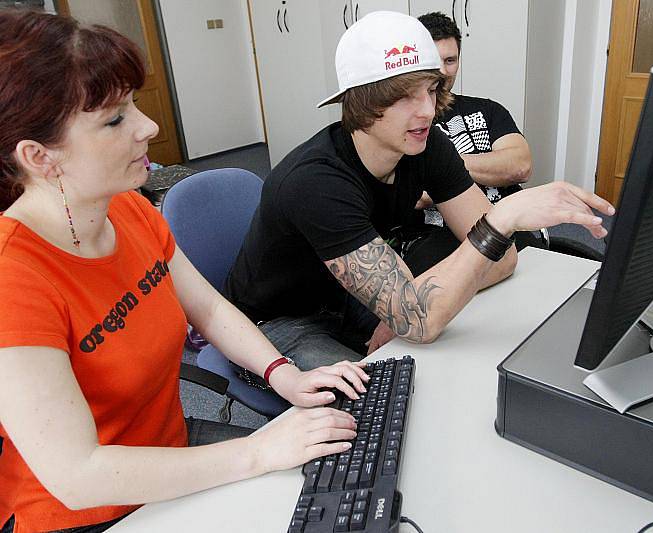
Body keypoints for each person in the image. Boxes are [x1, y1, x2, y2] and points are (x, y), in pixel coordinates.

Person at [0, 11, 367, 533]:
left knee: (337, 475)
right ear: (39, 156)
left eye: (133, 107)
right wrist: (256, 452)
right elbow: (77, 474)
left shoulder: (126, 208)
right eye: (114, 119)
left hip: (171, 451)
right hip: (88, 511)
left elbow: (210, 308)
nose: (147, 127)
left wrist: (284, 373)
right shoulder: (14, 279)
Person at [224, 11, 614, 363]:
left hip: (344, 293)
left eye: (430, 90)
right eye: (404, 96)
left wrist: (404, 312)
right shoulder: (315, 182)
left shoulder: (426, 147)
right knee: (363, 409)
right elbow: (426, 314)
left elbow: (504, 259)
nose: (428, 110)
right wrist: (502, 220)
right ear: (362, 103)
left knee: (450, 359)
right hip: (275, 323)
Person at [403, 11, 539, 274]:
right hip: (437, 236)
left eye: (450, 60)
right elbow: (414, 195)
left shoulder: (488, 110)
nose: (442, 71)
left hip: (507, 223)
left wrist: (442, 169)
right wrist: (490, 169)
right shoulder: (406, 120)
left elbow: (520, 165)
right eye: (433, 60)